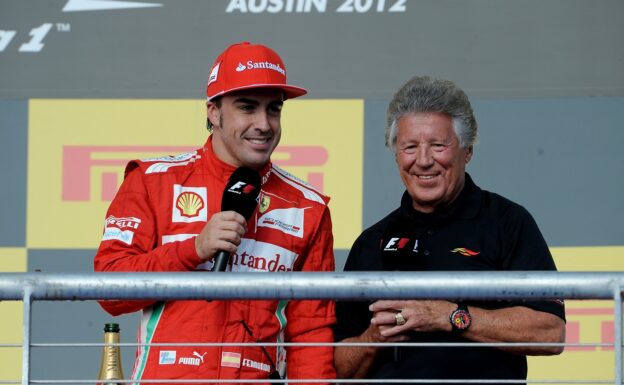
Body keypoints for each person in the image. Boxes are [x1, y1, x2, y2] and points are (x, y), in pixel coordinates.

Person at [94, 42, 336, 383]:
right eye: (247, 108)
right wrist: (192, 250)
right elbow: (109, 290)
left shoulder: (307, 206)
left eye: (274, 110)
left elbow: (312, 331)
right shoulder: (152, 180)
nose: (264, 124)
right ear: (214, 112)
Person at [333, 76, 566, 383]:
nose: (424, 161)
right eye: (410, 147)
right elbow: (338, 365)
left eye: (438, 146)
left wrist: (448, 316)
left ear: (466, 151)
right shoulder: (372, 241)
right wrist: (374, 335)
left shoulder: (507, 222)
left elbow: (550, 331)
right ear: (396, 155)